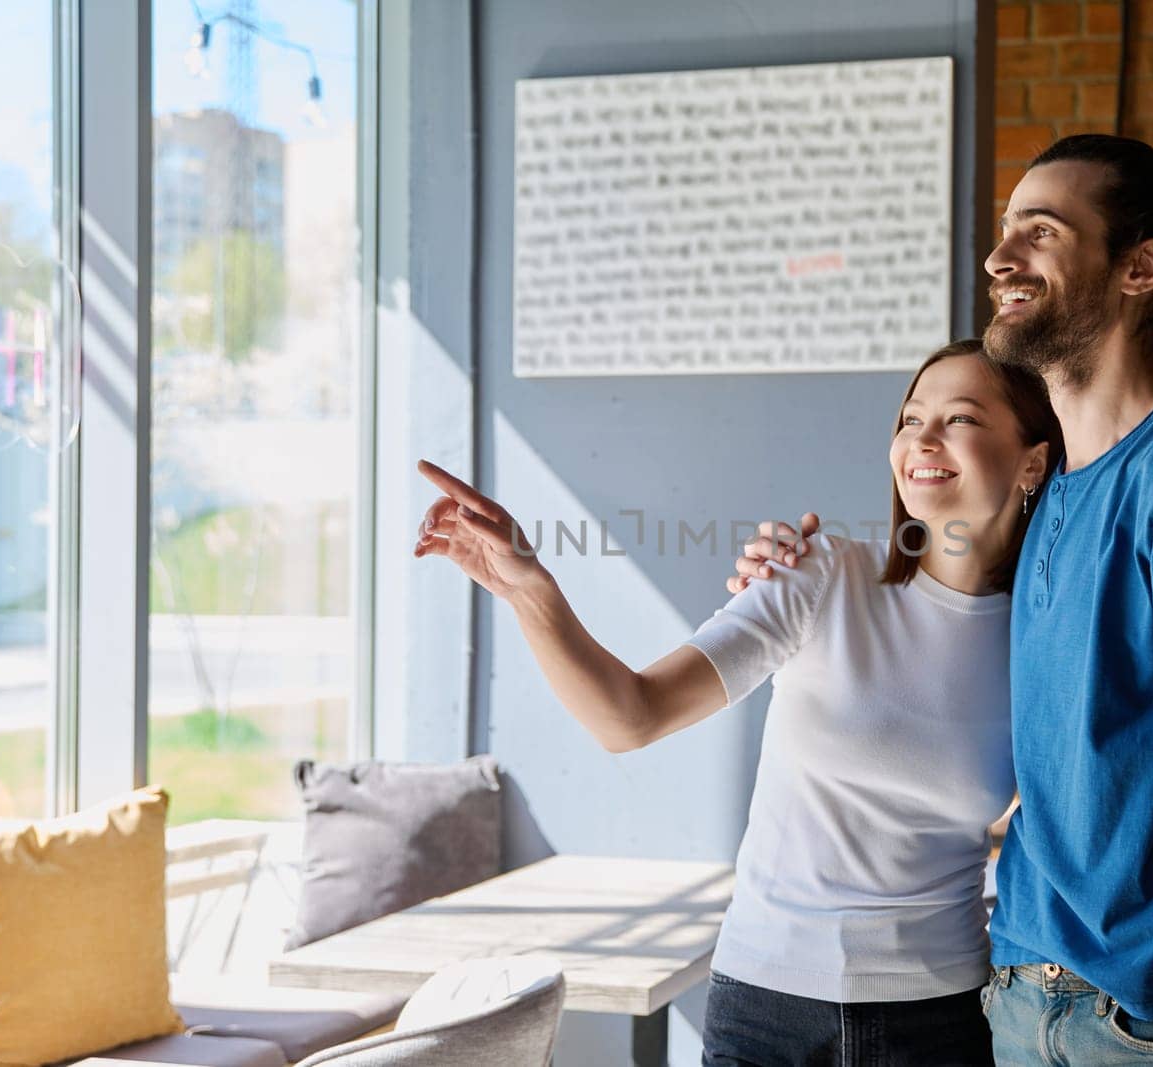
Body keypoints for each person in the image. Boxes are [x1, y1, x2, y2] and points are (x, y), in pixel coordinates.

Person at [732, 135, 1153, 1066]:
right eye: (1006, 231)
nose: (1002, 257)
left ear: (1139, 269)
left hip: (1144, 1023)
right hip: (1011, 998)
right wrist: (788, 564)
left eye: (1040, 233)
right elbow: (928, 596)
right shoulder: (1049, 494)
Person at [413, 338, 1063, 1067]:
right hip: (766, 1009)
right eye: (911, 418)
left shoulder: (1044, 637)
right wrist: (529, 589)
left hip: (940, 1019)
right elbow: (628, 715)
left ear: (1032, 460)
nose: (923, 439)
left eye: (961, 418)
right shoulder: (819, 574)